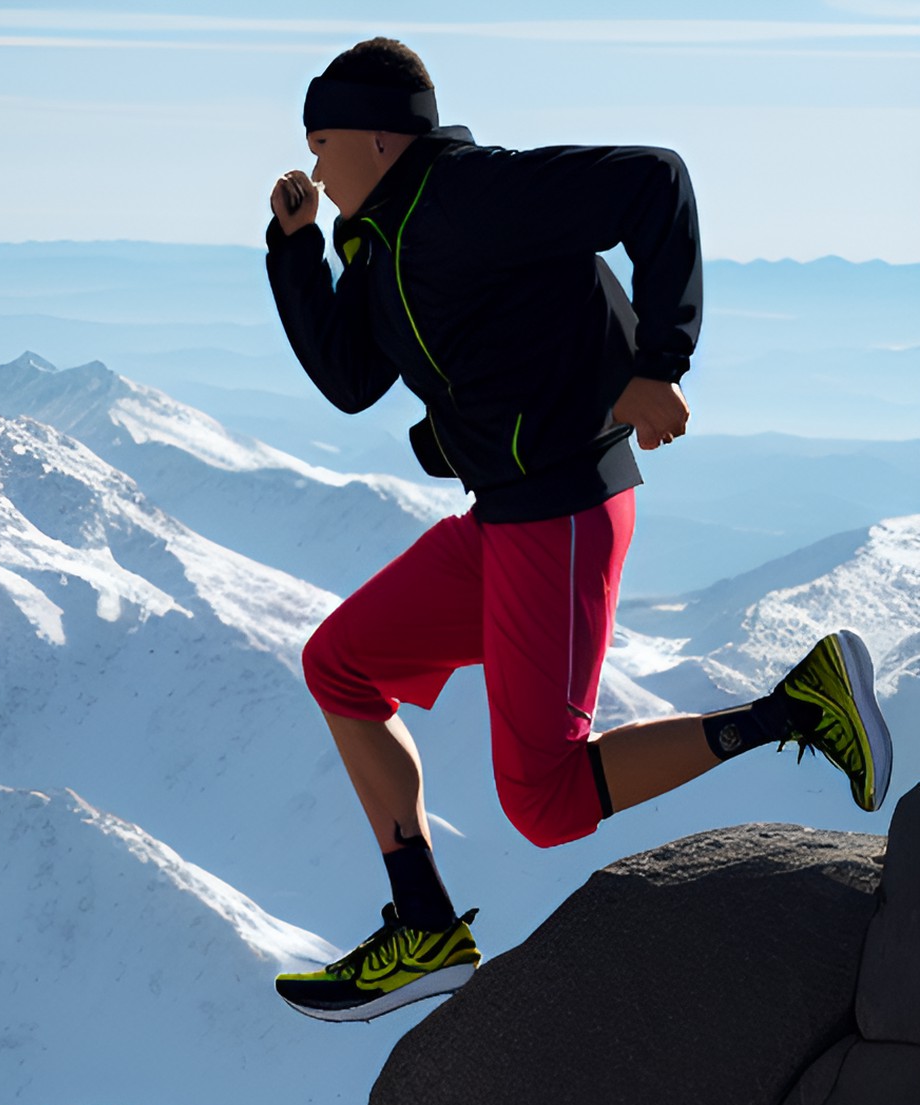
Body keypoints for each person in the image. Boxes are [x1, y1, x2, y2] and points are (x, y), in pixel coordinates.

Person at [265, 37, 892, 1022]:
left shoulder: (473, 194)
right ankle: (424, 924)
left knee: (545, 803)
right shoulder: (377, 241)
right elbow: (351, 381)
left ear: (381, 137)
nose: (312, 163)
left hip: (562, 511)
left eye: (322, 139)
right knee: (340, 664)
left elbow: (657, 181)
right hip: (506, 517)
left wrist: (660, 360)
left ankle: (796, 709)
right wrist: (296, 250)